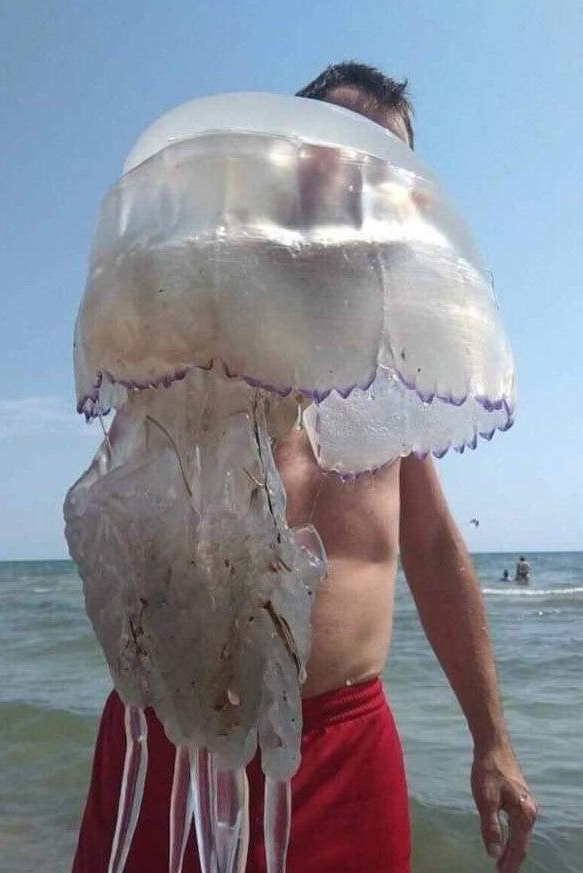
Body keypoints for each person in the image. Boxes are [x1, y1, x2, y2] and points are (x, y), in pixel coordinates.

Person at [72, 63, 536, 873]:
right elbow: (118, 510)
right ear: (278, 164)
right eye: (335, 151)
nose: (358, 180)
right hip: (177, 737)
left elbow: (431, 551)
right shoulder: (190, 321)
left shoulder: (393, 376)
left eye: (383, 166)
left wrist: (491, 736)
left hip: (343, 749)